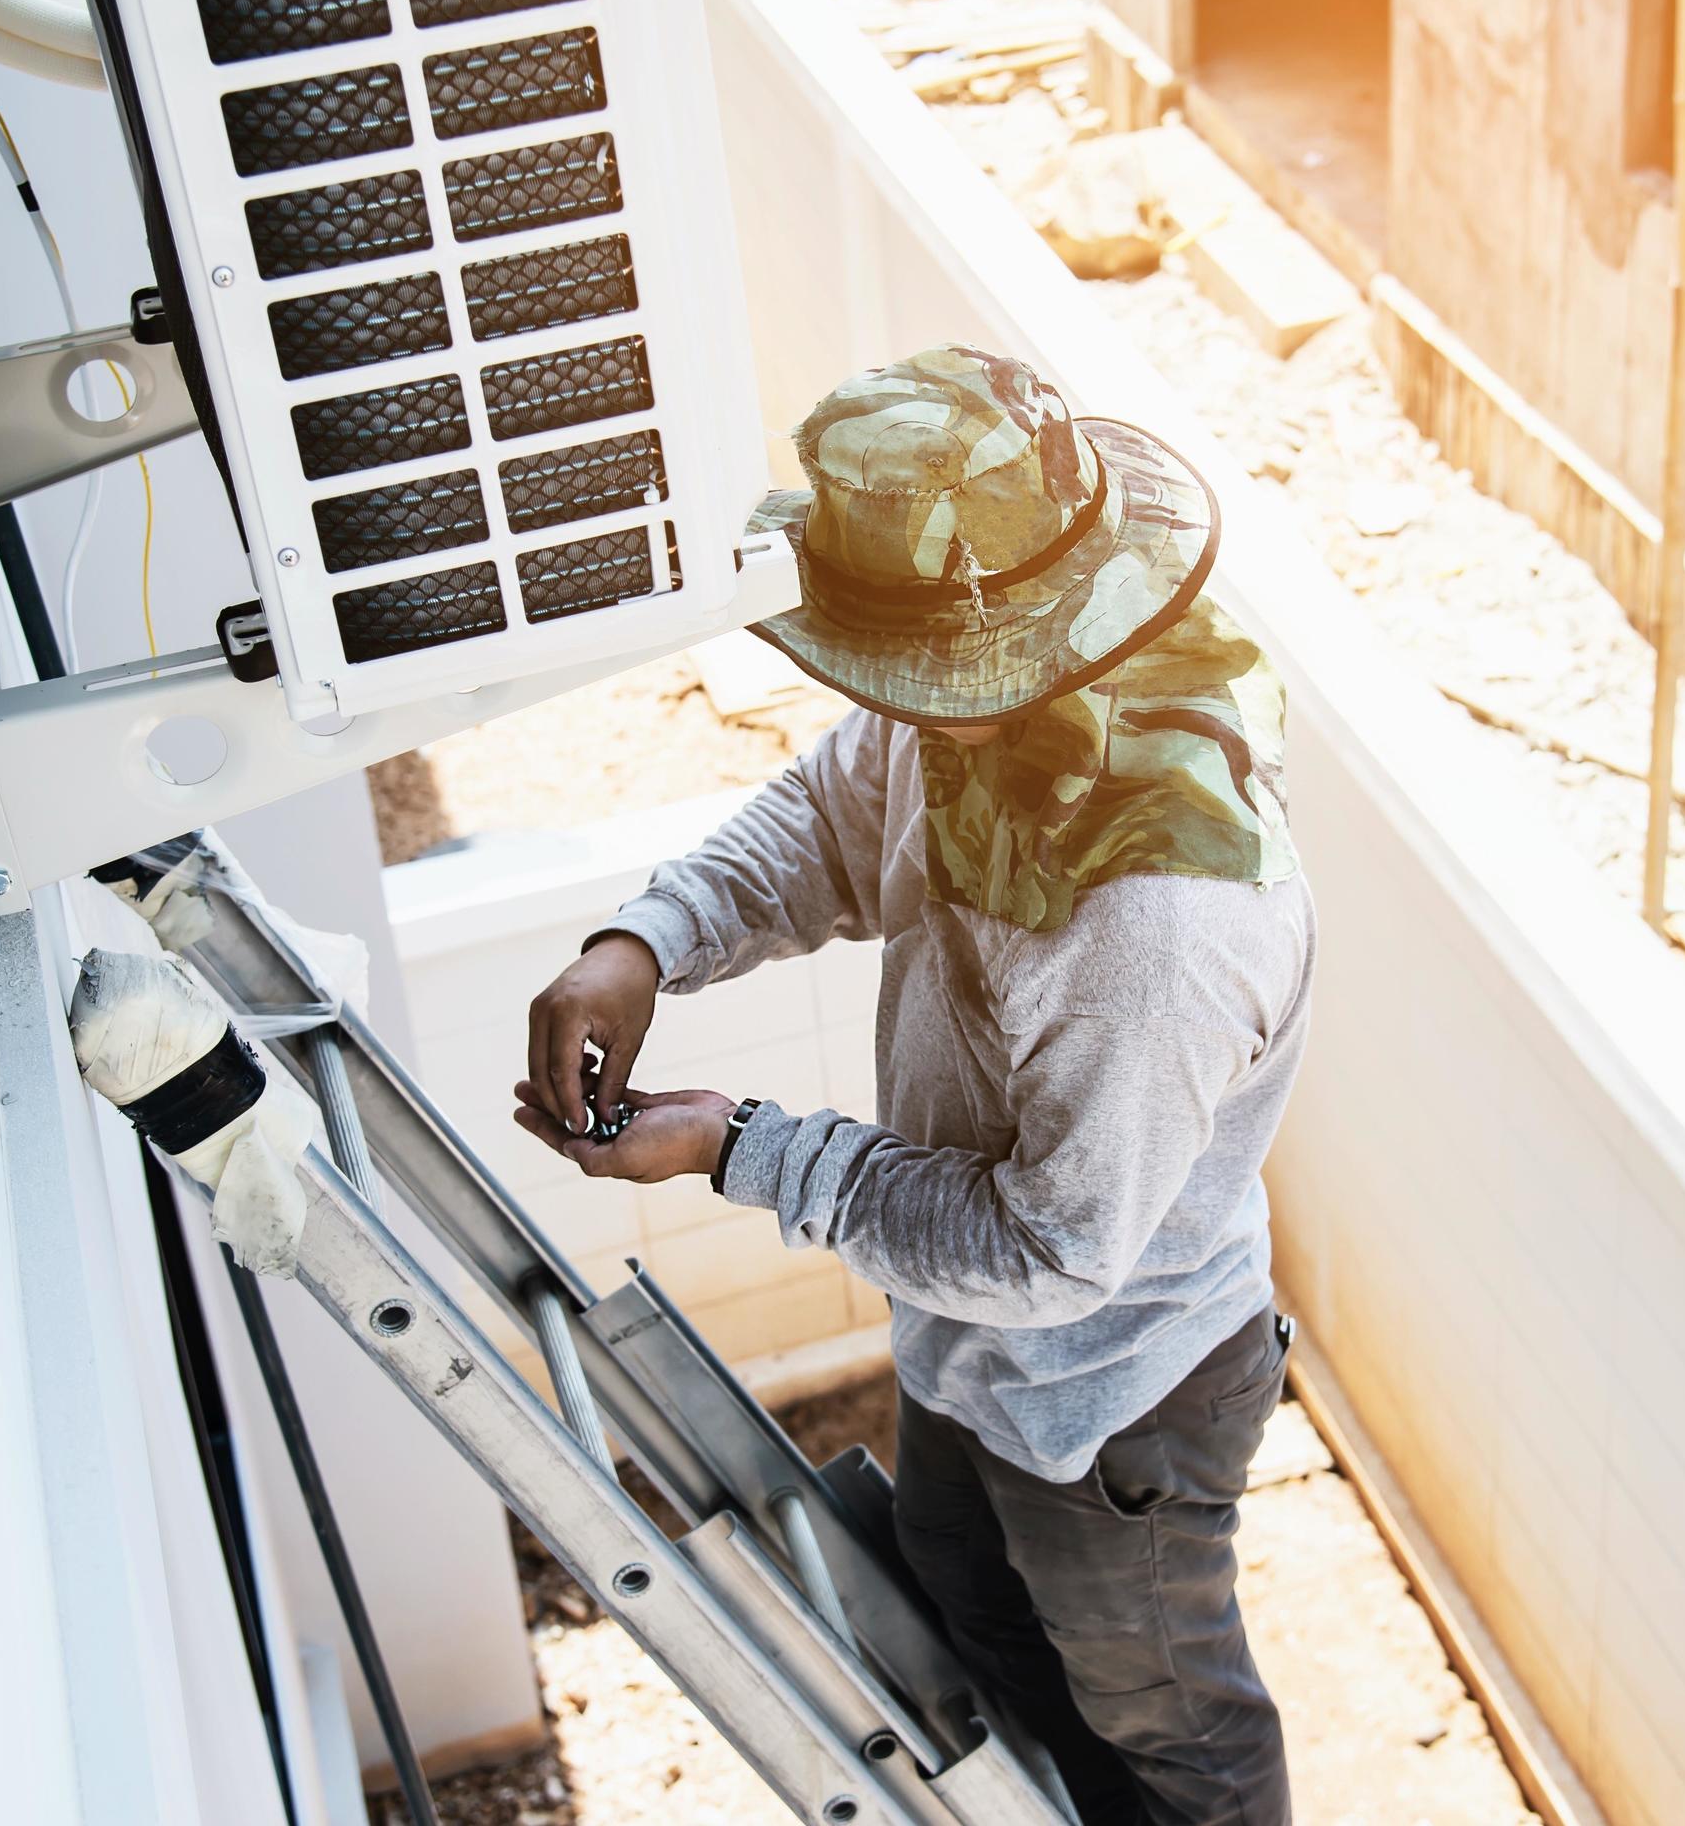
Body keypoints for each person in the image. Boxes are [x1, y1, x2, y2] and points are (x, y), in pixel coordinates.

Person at [516, 345, 1313, 1826]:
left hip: (1116, 1397)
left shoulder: (1157, 922)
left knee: (1168, 1732)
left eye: (911, 680)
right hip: (977, 1345)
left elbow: (1051, 1249)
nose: (890, 704)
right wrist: (648, 940)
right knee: (968, 1593)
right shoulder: (979, 697)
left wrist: (733, 1146)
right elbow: (834, 812)